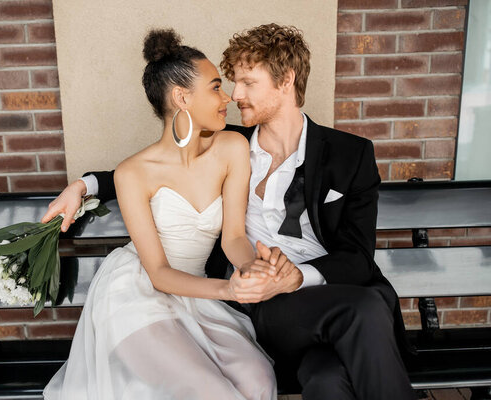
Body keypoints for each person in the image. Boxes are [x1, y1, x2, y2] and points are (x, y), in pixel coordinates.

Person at [46, 24, 416, 399]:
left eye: (246, 83)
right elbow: (150, 169)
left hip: (320, 293)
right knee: (365, 309)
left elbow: (357, 258)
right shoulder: (231, 142)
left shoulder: (349, 154)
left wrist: (295, 277)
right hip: (262, 305)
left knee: (328, 382)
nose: (235, 95)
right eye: (227, 83)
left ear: (285, 80)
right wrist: (85, 185)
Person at [43, 29, 277, 400]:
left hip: (200, 295)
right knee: (209, 392)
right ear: (182, 97)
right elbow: (159, 273)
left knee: (259, 381)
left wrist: (251, 270)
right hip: (138, 292)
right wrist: (228, 289)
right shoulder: (133, 172)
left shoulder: (233, 148)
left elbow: (233, 236)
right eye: (216, 87)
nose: (228, 97)